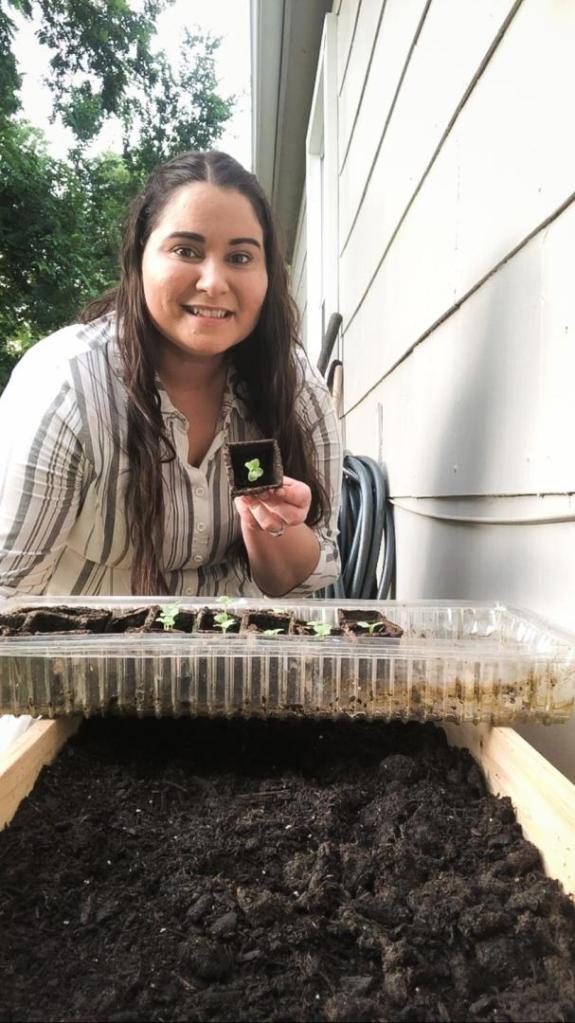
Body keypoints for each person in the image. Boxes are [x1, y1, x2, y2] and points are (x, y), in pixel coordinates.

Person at [0, 150, 342, 599]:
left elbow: (297, 581)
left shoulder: (294, 389)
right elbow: (9, 592)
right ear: (140, 257)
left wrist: (272, 527)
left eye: (240, 257)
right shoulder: (68, 385)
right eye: (186, 250)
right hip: (89, 658)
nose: (214, 282)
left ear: (267, 274)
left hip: (237, 659)